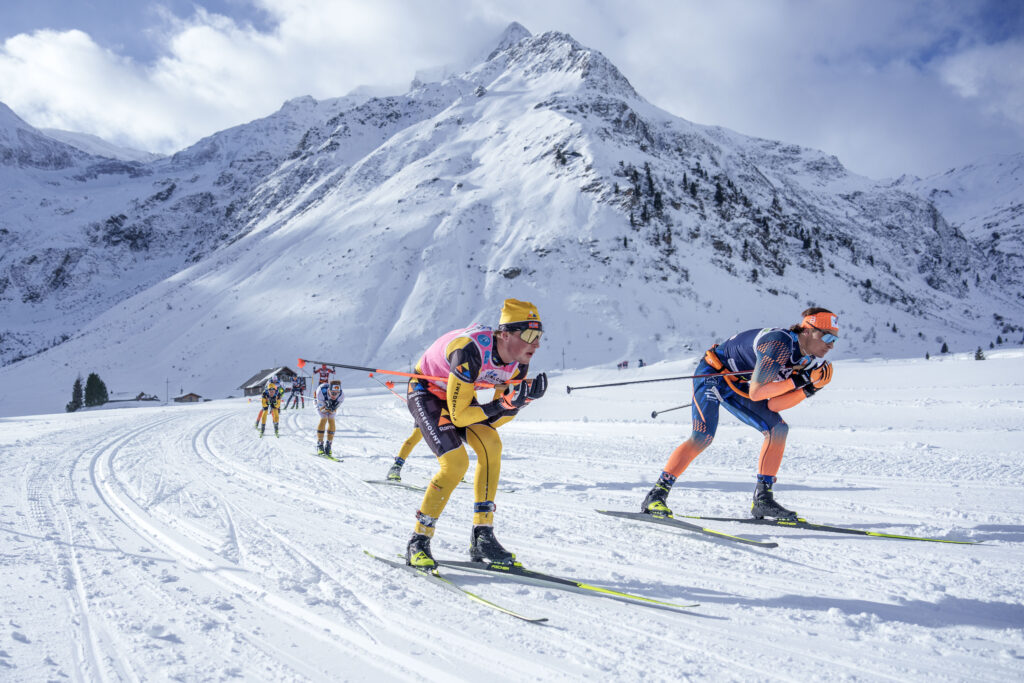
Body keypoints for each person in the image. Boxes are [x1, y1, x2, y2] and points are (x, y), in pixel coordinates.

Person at [640, 308, 838, 521]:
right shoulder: (779, 345)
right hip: (712, 374)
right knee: (702, 436)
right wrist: (801, 380)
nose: (831, 344)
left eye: (834, 339)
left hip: (739, 384)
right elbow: (758, 392)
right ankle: (656, 495)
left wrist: (809, 389)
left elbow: (773, 405)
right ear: (807, 331)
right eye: (826, 336)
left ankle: (763, 500)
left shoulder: (804, 361)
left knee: (778, 429)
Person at [404, 298, 548, 568]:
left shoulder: (519, 362)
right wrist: (503, 404)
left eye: (539, 335)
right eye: (529, 335)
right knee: (456, 463)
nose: (536, 343)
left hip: (460, 396)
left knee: (491, 443)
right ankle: (418, 540)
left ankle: (482, 535)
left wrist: (518, 403)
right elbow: (459, 416)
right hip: (428, 393)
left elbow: (494, 421)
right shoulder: (469, 350)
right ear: (505, 334)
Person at [315, 379, 344, 458]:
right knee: (324, 417)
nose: (335, 396)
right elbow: (322, 410)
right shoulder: (321, 392)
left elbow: (333, 411)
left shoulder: (341, 396)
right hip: (321, 402)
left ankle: (329, 444)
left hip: (328, 405)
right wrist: (327, 406)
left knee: (331, 419)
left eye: (337, 393)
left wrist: (332, 407)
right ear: (329, 390)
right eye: (333, 393)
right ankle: (320, 444)